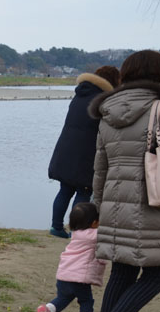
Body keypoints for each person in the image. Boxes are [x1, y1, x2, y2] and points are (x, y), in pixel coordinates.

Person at [87, 49, 160, 312]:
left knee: (124, 265)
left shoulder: (107, 112)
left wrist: (97, 205)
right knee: (158, 271)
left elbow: (100, 167)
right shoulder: (159, 108)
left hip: (115, 202)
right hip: (152, 202)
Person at [46, 66, 120, 238]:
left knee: (64, 190)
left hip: (65, 149)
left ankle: (56, 227)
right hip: (86, 153)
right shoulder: (102, 100)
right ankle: (77, 232)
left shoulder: (79, 95)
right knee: (83, 191)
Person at [36, 202, 106, 312]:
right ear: (93, 223)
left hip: (64, 274)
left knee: (63, 298)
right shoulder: (93, 235)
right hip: (79, 277)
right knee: (86, 300)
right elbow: (106, 234)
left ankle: (47, 309)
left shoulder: (75, 234)